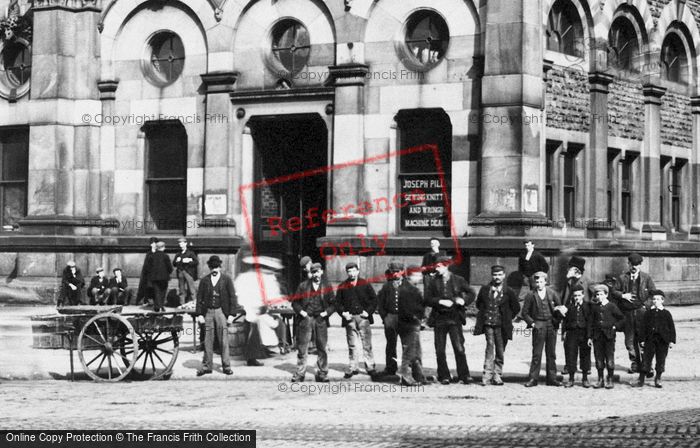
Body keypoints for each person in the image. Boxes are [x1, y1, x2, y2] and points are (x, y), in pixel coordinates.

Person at [425, 256, 474, 385]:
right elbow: (427, 299)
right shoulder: (433, 281)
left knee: (459, 348)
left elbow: (471, 293)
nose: (436, 268)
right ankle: (444, 375)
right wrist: (439, 301)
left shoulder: (459, 280)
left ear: (446, 266)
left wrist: (464, 301)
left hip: (454, 317)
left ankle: (464, 375)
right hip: (439, 318)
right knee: (440, 349)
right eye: (436, 266)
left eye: (439, 266)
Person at [473, 265, 520, 386]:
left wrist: (507, 318)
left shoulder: (509, 291)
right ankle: (486, 375)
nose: (497, 277)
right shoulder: (485, 289)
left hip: (502, 326)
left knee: (500, 350)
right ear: (492, 275)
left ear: (504, 276)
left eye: (499, 275)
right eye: (495, 275)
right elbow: (479, 304)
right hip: (488, 324)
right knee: (489, 349)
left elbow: (516, 308)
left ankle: (497, 375)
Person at [235, 255, 285, 366]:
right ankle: (252, 358)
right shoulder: (249, 278)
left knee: (257, 333)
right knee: (254, 334)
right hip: (252, 310)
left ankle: (259, 353)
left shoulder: (251, 277)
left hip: (255, 310)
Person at [291, 263, 335, 383]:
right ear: (311, 273)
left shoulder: (327, 286)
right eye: (314, 272)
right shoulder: (303, 286)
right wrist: (303, 313)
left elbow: (333, 304)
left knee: (322, 347)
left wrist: (325, 314)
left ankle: (322, 373)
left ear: (321, 272)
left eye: (318, 271)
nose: (316, 274)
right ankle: (300, 373)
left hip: (320, 319)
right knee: (302, 348)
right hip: (306, 319)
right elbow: (295, 303)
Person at [336, 261, 378, 379]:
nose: (352, 273)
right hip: (350, 319)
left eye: (354, 271)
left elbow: (374, 300)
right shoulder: (342, 286)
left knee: (367, 344)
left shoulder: (365, 284)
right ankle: (353, 367)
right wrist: (343, 313)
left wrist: (368, 311)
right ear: (347, 272)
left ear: (358, 271)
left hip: (363, 318)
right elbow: (337, 303)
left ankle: (370, 367)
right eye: (349, 271)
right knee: (352, 344)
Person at [522, 271, 564, 387]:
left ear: (545, 282)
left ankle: (552, 378)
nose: (539, 284)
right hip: (538, 324)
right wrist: (533, 323)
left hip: (551, 325)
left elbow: (560, 309)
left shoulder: (552, 293)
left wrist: (556, 322)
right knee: (537, 353)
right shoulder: (531, 295)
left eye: (541, 282)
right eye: (537, 282)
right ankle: (533, 378)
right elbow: (525, 313)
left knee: (551, 353)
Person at [196, 255, 236, 376]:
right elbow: (199, 298)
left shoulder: (226, 279)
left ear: (220, 267)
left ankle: (226, 366)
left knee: (223, 340)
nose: (214, 269)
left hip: (221, 312)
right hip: (208, 312)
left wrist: (232, 314)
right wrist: (199, 314)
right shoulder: (204, 280)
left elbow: (232, 297)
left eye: (216, 267)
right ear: (209, 267)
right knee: (208, 340)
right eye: (212, 267)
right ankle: (207, 366)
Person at [617, 252, 656, 375]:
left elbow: (653, 293)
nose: (634, 267)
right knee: (629, 340)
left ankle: (647, 364)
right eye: (632, 264)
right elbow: (613, 291)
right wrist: (623, 295)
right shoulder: (622, 278)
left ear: (640, 265)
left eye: (637, 264)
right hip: (627, 313)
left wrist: (646, 306)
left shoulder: (646, 278)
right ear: (628, 264)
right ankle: (635, 363)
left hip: (642, 313)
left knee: (644, 338)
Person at [632, 290, 676, 388]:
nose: (655, 301)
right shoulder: (648, 313)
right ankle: (641, 379)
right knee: (646, 360)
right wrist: (642, 339)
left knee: (661, 359)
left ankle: (658, 378)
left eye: (658, 299)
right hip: (650, 340)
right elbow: (643, 327)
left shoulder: (666, 313)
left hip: (662, 340)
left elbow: (671, 327)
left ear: (662, 301)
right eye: (654, 299)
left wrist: (671, 340)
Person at [560, 255, 593, 375]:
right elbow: (563, 296)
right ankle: (569, 365)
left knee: (585, 342)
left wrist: (589, 308)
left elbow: (594, 295)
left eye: (571, 268)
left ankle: (586, 366)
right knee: (568, 342)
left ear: (577, 270)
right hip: (570, 313)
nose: (568, 270)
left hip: (583, 313)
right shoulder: (568, 281)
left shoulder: (587, 281)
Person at [588, 284, 624, 389]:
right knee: (599, 358)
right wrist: (589, 337)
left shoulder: (612, 306)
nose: (599, 296)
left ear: (606, 295)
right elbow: (590, 322)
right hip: (597, 336)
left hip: (609, 336)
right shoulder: (594, 308)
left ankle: (610, 378)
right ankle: (600, 379)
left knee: (609, 358)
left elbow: (622, 318)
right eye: (597, 294)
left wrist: (615, 326)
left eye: (601, 294)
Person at [561, 284, 593, 388]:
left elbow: (590, 322)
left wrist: (589, 336)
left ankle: (585, 378)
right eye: (575, 296)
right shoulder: (570, 307)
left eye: (579, 295)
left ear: (583, 295)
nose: (577, 298)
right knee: (571, 355)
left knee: (585, 355)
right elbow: (565, 321)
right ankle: (571, 378)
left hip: (584, 333)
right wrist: (564, 333)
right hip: (572, 333)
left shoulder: (588, 306)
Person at [172, 237, 198, 306]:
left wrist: (189, 261)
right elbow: (174, 263)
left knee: (191, 288)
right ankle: (182, 303)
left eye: (182, 243)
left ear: (186, 243)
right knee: (181, 289)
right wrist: (177, 261)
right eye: (180, 243)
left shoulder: (190, 253)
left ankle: (194, 303)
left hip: (188, 272)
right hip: (180, 272)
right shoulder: (178, 254)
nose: (181, 244)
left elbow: (196, 262)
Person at [136, 237, 159, 306]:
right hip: (149, 274)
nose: (153, 245)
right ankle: (148, 300)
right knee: (148, 287)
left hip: (157, 274)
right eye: (152, 243)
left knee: (156, 288)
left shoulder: (159, 253)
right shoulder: (149, 253)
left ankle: (156, 301)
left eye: (155, 243)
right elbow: (146, 265)